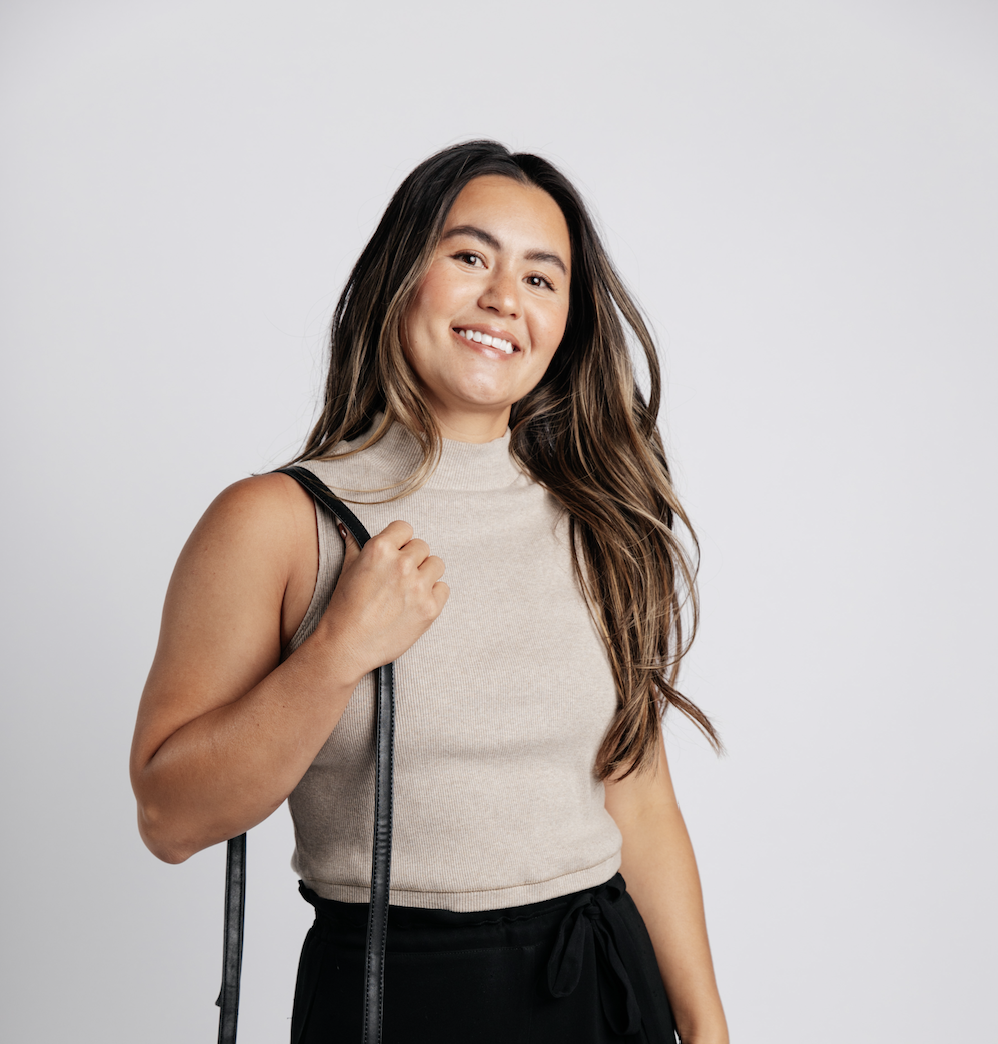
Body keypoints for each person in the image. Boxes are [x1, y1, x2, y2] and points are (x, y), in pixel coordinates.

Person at [130, 140, 729, 1044]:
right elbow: (170, 817)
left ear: (566, 321)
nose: (503, 298)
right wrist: (335, 654)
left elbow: (637, 796)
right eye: (469, 256)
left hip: (601, 984)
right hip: (393, 994)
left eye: (541, 277)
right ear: (402, 273)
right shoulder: (276, 522)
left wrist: (707, 1029)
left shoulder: (598, 518)